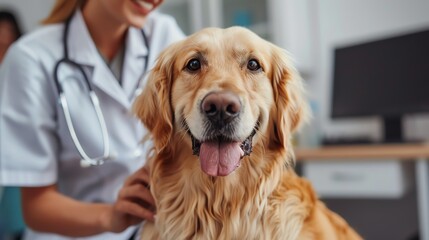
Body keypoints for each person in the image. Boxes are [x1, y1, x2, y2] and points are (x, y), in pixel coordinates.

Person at [0, 0, 185, 239]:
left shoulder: (164, 35)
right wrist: (110, 216)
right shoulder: (32, 58)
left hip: (151, 229)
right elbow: (36, 207)